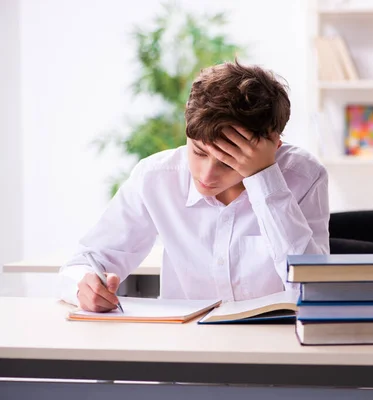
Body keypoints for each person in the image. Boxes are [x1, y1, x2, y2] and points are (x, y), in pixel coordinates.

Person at [58, 60, 330, 312]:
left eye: (228, 162)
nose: (207, 175)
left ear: (273, 145)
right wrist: (84, 285)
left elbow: (314, 289)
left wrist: (264, 178)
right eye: (199, 152)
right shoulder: (156, 177)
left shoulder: (304, 176)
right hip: (185, 346)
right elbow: (84, 262)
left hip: (275, 346)